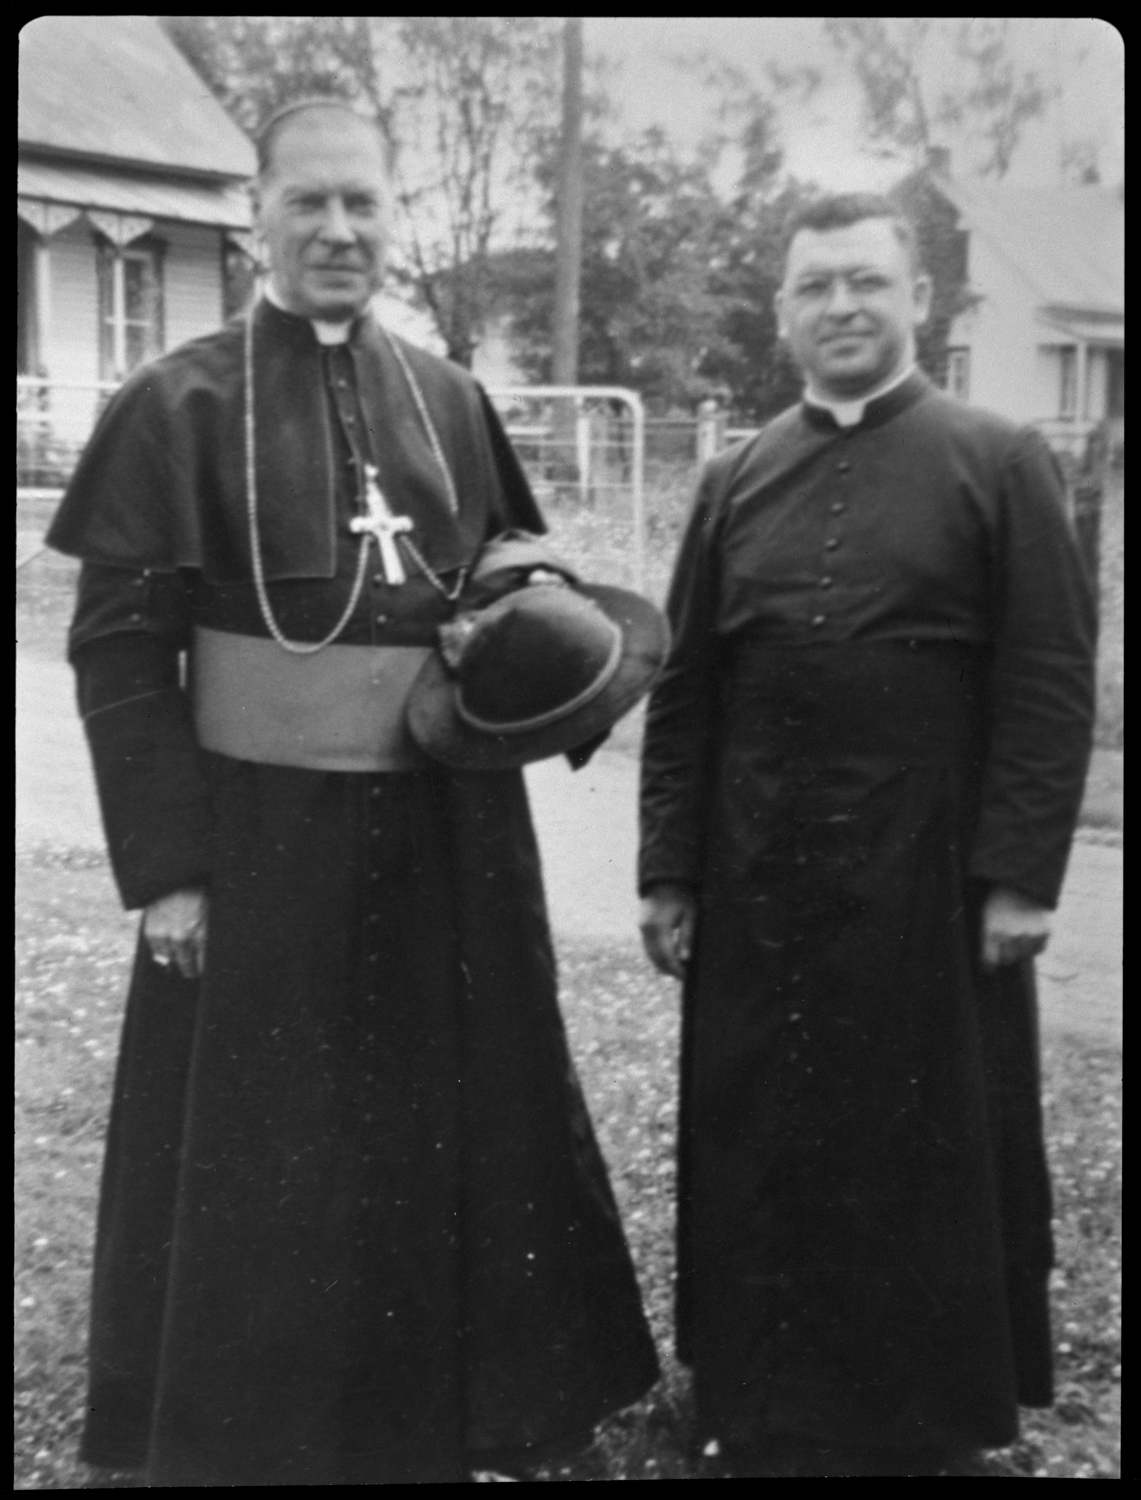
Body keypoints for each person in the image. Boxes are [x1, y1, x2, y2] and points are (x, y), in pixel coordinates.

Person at [47, 98, 658, 1486]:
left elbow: (504, 544)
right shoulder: (175, 403)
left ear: (395, 218)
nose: (337, 231)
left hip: (442, 829)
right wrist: (170, 868)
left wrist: (521, 592)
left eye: (363, 205)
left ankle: (453, 1412)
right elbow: (121, 653)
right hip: (258, 836)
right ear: (253, 209)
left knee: (445, 1120)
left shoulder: (448, 398)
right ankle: (251, 1429)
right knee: (273, 1145)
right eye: (308, 203)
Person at [638, 193, 1095, 1478]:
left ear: (917, 303)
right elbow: (686, 691)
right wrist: (670, 867)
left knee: (918, 1142)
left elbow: (1049, 679)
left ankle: (920, 1419)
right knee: (759, 1129)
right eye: (816, 287)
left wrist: (1016, 875)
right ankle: (762, 1394)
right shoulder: (736, 475)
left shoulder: (1000, 460)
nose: (842, 307)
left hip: (927, 871)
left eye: (867, 284)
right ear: (782, 315)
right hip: (756, 866)